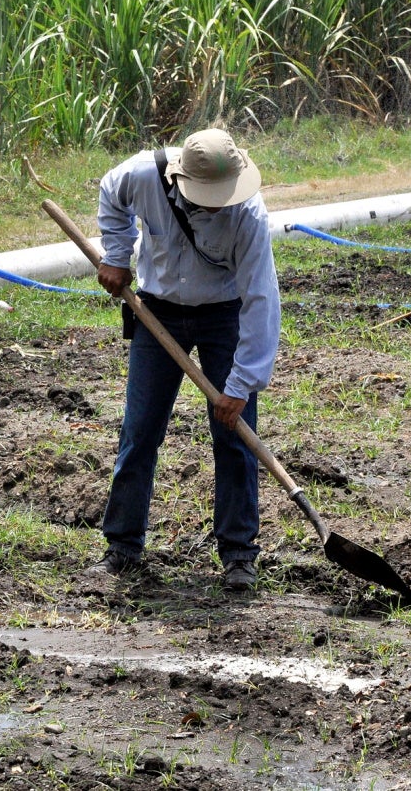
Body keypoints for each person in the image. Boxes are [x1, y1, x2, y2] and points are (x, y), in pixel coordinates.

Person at [90, 128, 281, 592]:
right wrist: (116, 256)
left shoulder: (248, 215)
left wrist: (241, 384)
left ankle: (239, 553)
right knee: (140, 431)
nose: (218, 203)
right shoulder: (142, 175)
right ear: (181, 181)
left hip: (223, 316)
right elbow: (109, 196)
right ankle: (122, 546)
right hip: (157, 314)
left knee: (235, 436)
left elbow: (261, 299)